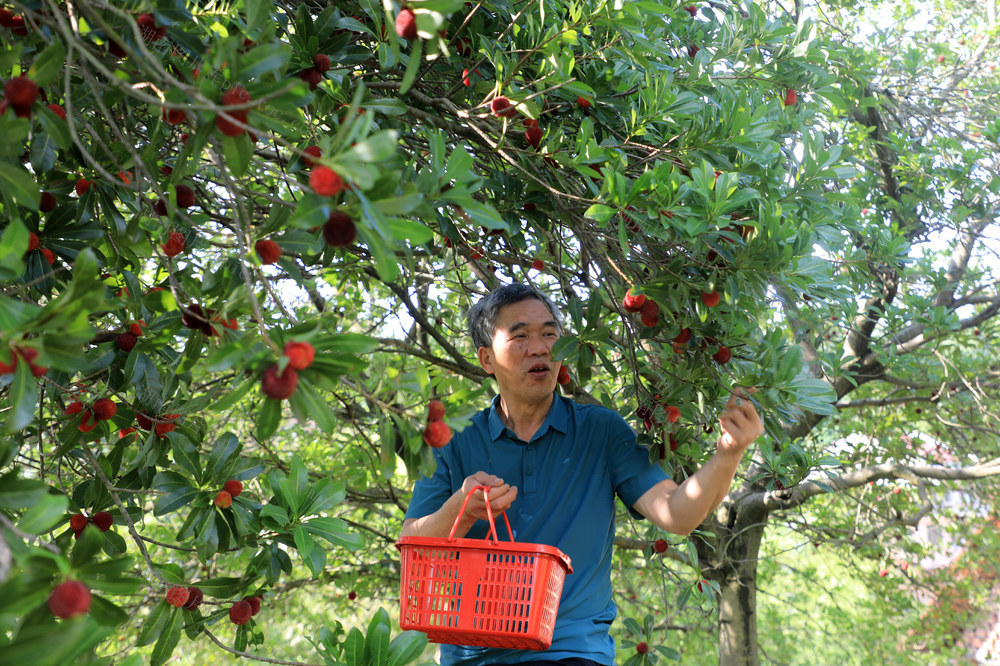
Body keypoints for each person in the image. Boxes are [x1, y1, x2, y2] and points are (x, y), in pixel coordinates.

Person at [401, 283, 763, 666]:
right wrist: (462, 507)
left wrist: (728, 452)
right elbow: (412, 541)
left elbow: (677, 514)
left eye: (550, 334)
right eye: (520, 336)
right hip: (473, 656)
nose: (540, 347)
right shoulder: (452, 441)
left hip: (571, 653)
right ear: (486, 359)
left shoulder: (601, 431)